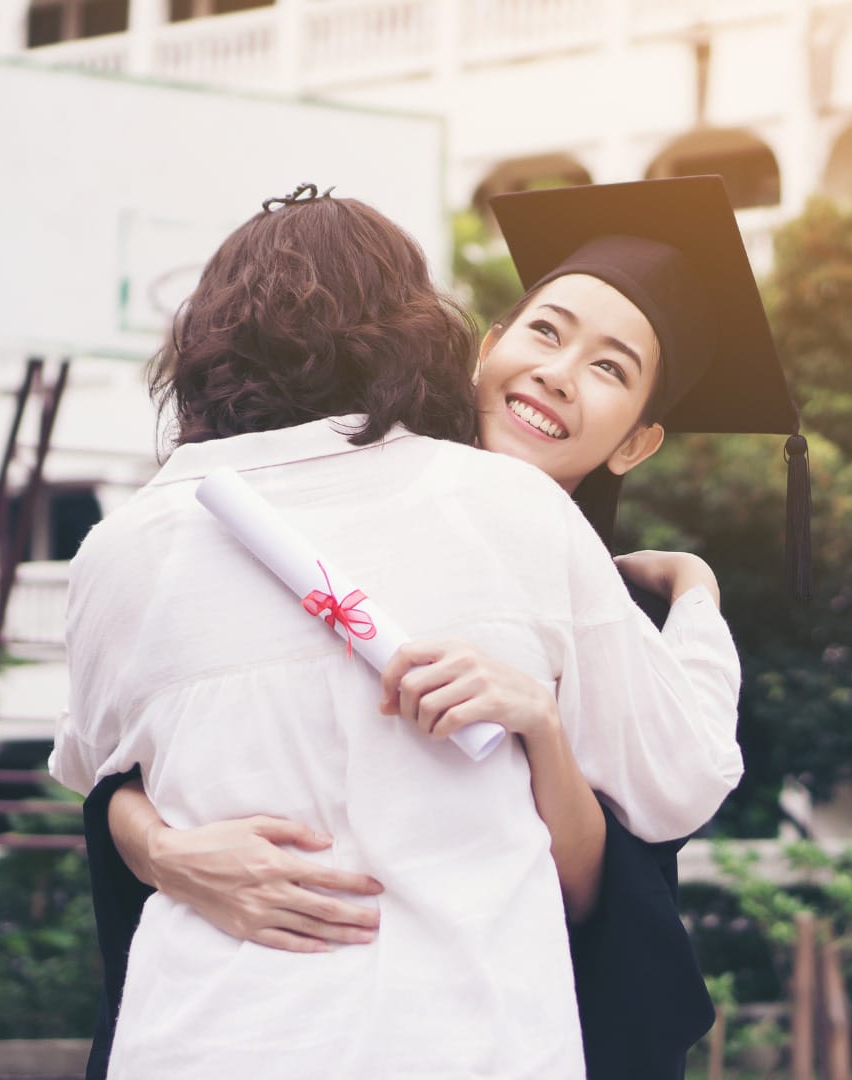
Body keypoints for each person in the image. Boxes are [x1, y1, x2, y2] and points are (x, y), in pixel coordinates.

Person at [65, 177, 808, 1078]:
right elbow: (124, 764)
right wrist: (160, 846)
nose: (559, 373)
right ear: (482, 347)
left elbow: (611, 895)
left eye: (611, 368)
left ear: (636, 442)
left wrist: (640, 642)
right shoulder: (287, 507)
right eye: (545, 330)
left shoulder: (613, 606)